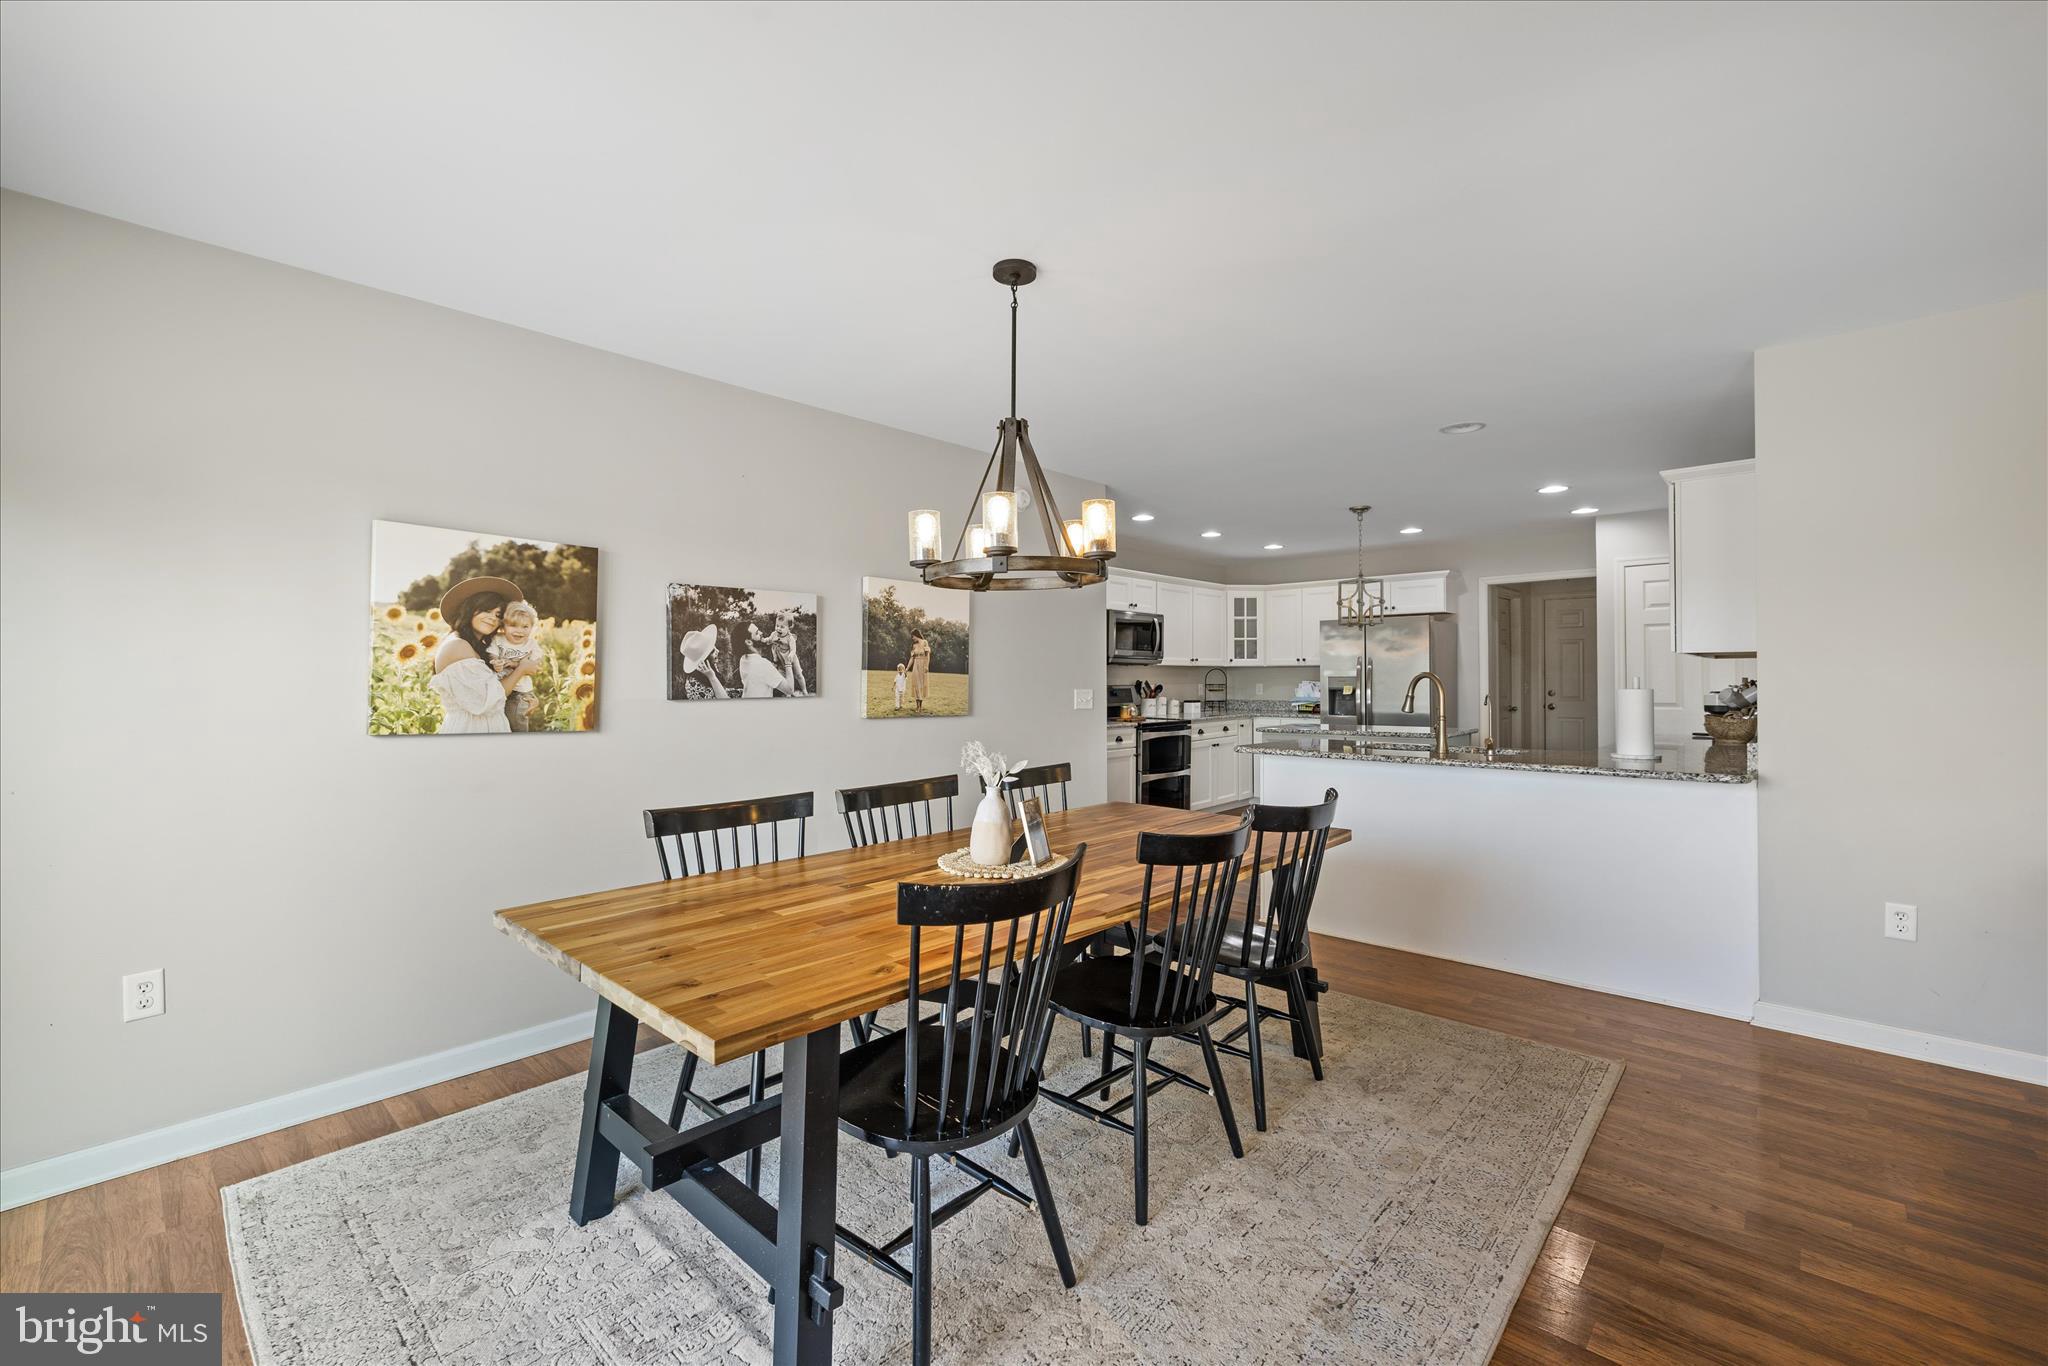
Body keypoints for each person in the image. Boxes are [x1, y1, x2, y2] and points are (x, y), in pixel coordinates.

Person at [430, 576, 537, 734]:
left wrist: (525, 697)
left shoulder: (477, 646)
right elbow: (488, 700)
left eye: (498, 615)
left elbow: (495, 685)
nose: (493, 618)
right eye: (487, 610)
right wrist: (522, 669)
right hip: (470, 730)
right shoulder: (457, 646)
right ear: (469, 609)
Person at [489, 600, 544, 731]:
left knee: (516, 724)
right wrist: (496, 662)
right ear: (503, 626)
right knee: (500, 724)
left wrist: (515, 664)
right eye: (513, 625)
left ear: (532, 627)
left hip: (520, 693)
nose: (519, 631)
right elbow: (492, 655)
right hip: (499, 688)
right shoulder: (498, 639)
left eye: (525, 627)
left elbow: (535, 664)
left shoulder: (531, 645)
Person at [906, 629, 932, 714]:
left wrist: (926, 666)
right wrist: (907, 669)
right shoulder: (914, 646)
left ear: (916, 635)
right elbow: (911, 659)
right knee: (916, 685)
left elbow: (928, 656)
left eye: (913, 636)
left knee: (921, 685)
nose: (912, 638)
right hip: (915, 665)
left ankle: (920, 707)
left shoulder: (925, 642)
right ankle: (917, 706)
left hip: (922, 665)